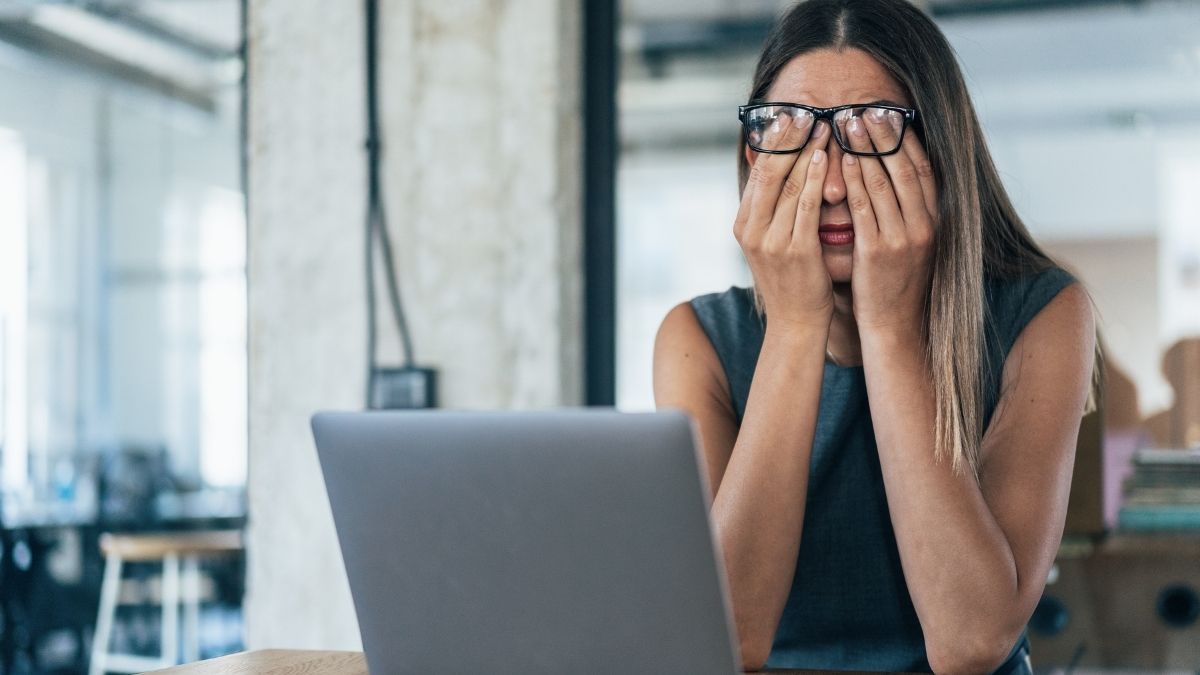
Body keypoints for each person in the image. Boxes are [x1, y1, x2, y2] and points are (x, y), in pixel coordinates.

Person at [651, 1, 1098, 673]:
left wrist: (888, 325)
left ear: (940, 152)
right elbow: (727, 637)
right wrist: (797, 326)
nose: (830, 183)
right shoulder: (698, 340)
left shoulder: (1044, 313)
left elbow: (971, 639)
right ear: (755, 152)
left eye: (874, 131)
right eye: (793, 130)